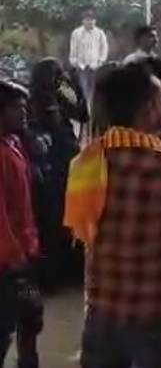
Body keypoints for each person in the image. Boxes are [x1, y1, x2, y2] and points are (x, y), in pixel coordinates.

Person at [65, 65, 161, 367]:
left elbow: (83, 231)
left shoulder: (84, 163)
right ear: (149, 109)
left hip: (102, 310)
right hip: (160, 311)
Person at [25, 58, 86, 290]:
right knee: (54, 220)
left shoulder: (60, 96)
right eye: (55, 74)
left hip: (64, 164)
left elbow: (81, 112)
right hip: (49, 170)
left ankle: (66, 271)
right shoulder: (30, 105)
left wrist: (66, 86)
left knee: (64, 219)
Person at [0, 81, 40, 368]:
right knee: (4, 329)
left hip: (24, 252)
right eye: (16, 107)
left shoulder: (12, 144)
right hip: (7, 261)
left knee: (31, 317)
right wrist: (13, 257)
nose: (24, 112)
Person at [69, 8, 109, 108]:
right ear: (83, 21)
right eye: (87, 20)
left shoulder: (100, 33)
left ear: (95, 21)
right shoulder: (77, 33)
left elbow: (104, 49)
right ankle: (85, 111)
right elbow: (73, 50)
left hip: (95, 67)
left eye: (92, 20)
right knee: (83, 90)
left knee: (94, 91)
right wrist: (75, 63)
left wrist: (101, 61)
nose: (90, 22)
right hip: (81, 67)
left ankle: (92, 111)